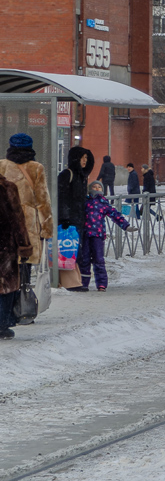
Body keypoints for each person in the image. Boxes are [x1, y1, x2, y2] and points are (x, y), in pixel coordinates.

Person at [0, 133, 52, 315]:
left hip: (5, 222)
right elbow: (43, 201)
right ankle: (21, 305)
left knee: (6, 268)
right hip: (28, 222)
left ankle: (7, 309)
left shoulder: (2, 165)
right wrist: (46, 229)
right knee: (25, 265)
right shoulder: (36, 168)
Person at [80, 181, 132, 291]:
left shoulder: (103, 203)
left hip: (98, 235)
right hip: (85, 234)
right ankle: (83, 283)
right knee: (84, 259)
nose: (97, 188)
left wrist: (126, 226)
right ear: (90, 188)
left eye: (99, 187)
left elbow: (115, 215)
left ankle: (101, 284)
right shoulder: (84, 201)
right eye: (94, 186)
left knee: (99, 259)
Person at [58, 147, 96, 288]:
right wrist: (64, 217)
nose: (85, 161)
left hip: (78, 220)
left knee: (75, 251)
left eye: (86, 158)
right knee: (67, 251)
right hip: (68, 221)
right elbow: (61, 198)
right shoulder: (67, 175)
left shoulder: (82, 177)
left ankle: (74, 281)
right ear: (76, 159)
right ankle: (69, 282)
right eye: (82, 158)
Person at [0, 172, 31, 339]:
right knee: (6, 286)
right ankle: (2, 325)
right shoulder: (7, 188)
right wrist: (24, 245)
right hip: (5, 245)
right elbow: (17, 220)